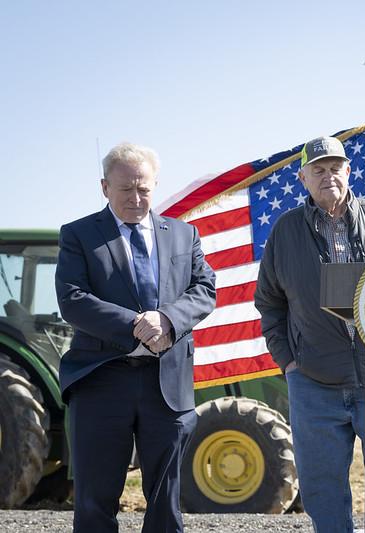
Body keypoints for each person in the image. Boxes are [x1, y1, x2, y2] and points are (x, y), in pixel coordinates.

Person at [254, 136, 365, 533]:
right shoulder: (285, 231)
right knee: (322, 490)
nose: (328, 177)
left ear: (348, 171)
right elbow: (269, 303)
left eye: (335, 168)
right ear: (303, 178)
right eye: (318, 171)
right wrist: (289, 363)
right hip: (313, 383)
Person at [56, 142, 216, 533]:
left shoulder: (183, 234)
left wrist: (166, 319)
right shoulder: (78, 235)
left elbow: (204, 288)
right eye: (125, 188)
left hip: (167, 384)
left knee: (166, 504)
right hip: (101, 379)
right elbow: (73, 299)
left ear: (155, 185)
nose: (136, 197)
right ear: (104, 187)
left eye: (144, 188)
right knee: (95, 500)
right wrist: (136, 324)